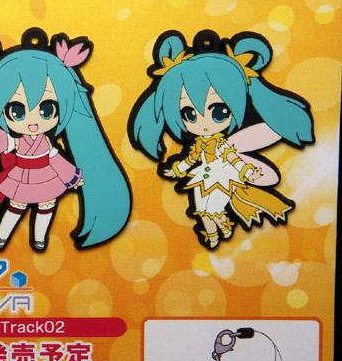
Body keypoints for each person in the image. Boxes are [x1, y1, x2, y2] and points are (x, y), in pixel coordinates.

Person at [0, 28, 130, 250]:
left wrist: (73, 177)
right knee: (16, 208)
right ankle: (1, 237)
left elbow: (57, 159)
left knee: (46, 207)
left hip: (47, 177)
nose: (33, 122)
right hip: (22, 178)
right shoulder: (17, 141)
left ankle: (39, 239)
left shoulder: (47, 144)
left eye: (46, 110)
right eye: (17, 111)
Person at [129, 30, 313, 248]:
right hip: (202, 177)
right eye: (189, 114)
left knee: (211, 209)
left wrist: (247, 172)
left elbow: (233, 159)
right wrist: (176, 170)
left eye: (218, 112)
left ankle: (223, 227)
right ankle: (216, 233)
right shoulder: (198, 144)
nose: (203, 123)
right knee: (202, 209)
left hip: (223, 176)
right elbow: (190, 160)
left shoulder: (223, 145)